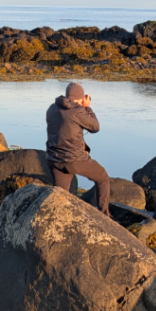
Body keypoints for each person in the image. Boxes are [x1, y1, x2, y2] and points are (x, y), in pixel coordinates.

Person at [46, 82, 110, 214]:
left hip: (54, 160)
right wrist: (87, 108)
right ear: (80, 97)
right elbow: (95, 127)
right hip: (74, 160)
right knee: (103, 178)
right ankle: (105, 216)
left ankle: (58, 219)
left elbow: (65, 129)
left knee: (60, 196)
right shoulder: (77, 110)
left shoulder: (52, 108)